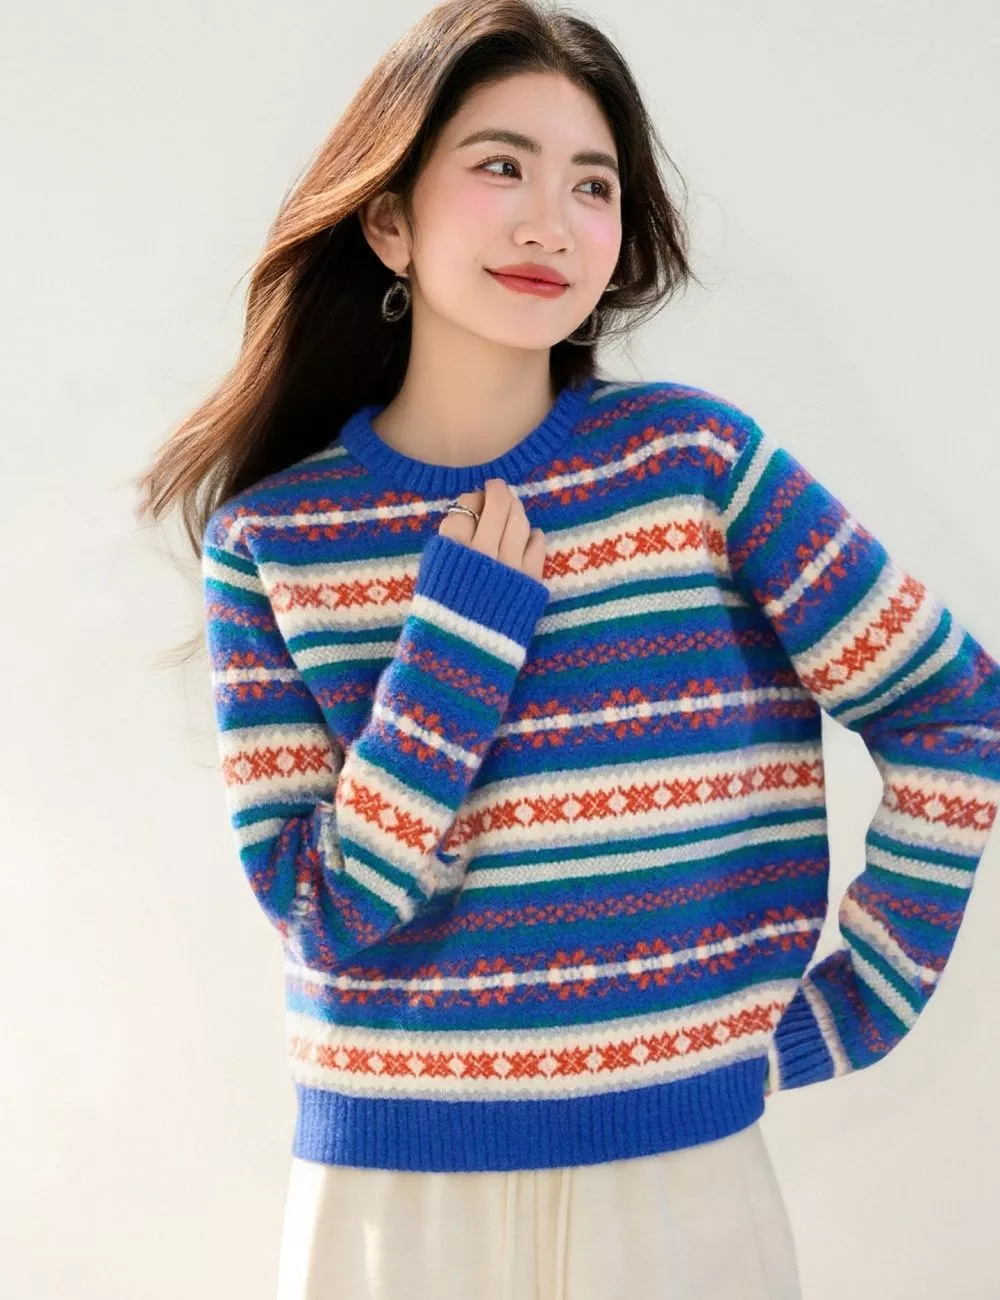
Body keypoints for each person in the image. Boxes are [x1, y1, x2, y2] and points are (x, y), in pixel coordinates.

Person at [135, 2, 1000, 1297]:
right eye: (503, 166)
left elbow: (954, 709)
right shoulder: (276, 540)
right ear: (389, 221)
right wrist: (456, 652)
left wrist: (863, 995)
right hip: (391, 1202)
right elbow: (317, 911)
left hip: (678, 1179)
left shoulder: (693, 466)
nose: (552, 221)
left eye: (592, 185)